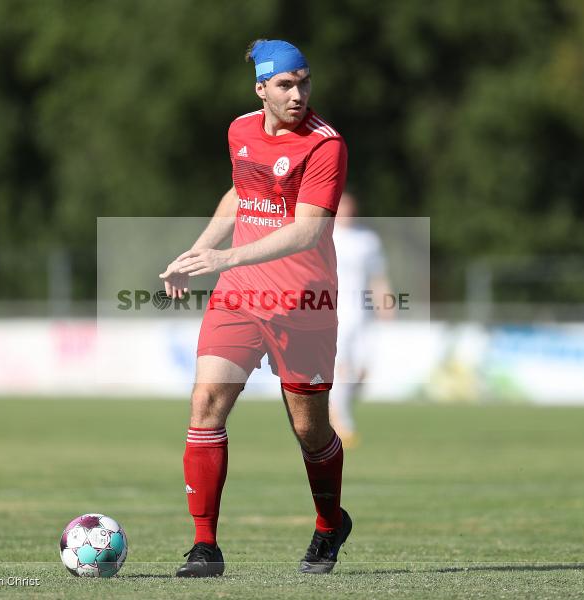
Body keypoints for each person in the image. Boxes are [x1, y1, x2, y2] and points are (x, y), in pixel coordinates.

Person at [159, 39, 351, 577]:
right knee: (205, 409)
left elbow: (309, 228)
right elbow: (241, 196)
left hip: (302, 305)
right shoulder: (240, 131)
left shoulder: (325, 144)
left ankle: (329, 524)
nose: (299, 93)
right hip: (240, 295)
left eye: (305, 82)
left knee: (309, 430)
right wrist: (201, 253)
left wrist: (227, 254)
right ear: (261, 88)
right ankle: (204, 547)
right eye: (286, 84)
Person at [331, 191, 394, 448]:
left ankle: (334, 408)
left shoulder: (367, 240)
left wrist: (386, 303)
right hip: (333, 312)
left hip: (362, 313)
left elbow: (378, 276)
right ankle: (342, 424)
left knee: (362, 373)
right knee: (341, 369)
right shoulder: (323, 235)